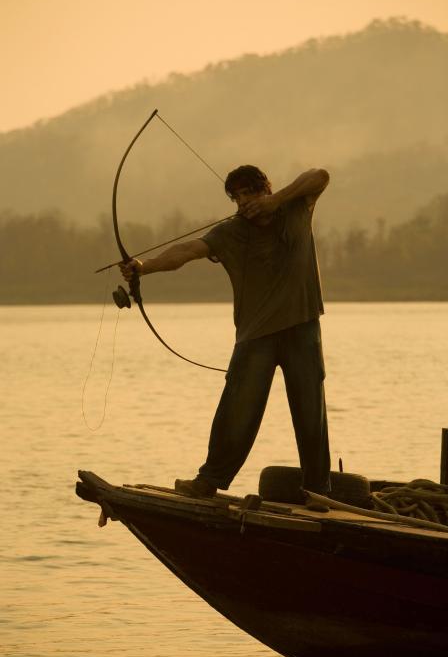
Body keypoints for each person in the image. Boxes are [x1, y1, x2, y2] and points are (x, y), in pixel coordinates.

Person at [120, 165, 331, 500]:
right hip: (255, 335)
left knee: (310, 411)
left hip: (302, 327)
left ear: (265, 188)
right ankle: (209, 481)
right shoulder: (230, 233)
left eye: (250, 193)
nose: (244, 202)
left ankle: (319, 491)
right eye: (238, 197)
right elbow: (186, 252)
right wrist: (145, 267)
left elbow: (320, 175)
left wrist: (276, 202)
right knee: (237, 409)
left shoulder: (295, 207)